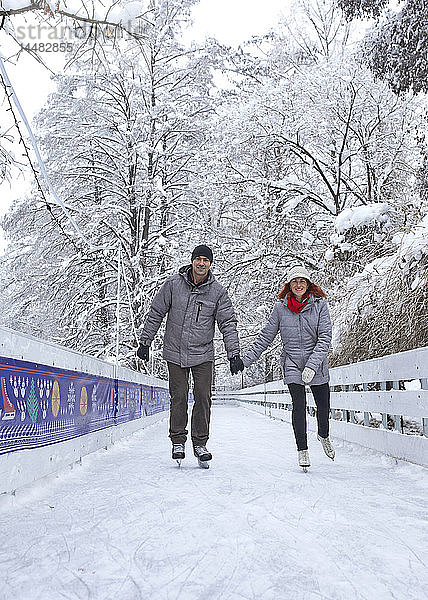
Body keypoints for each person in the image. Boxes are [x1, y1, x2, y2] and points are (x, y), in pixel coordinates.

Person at [137, 244, 244, 467]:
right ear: (192, 261)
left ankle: (200, 443)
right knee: (180, 395)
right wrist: (145, 341)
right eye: (198, 259)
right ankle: (178, 439)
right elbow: (156, 312)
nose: (202, 264)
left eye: (206, 260)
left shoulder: (217, 292)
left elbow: (228, 323)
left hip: (203, 353)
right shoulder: (173, 284)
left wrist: (233, 353)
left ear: (210, 264)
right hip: (175, 351)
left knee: (203, 396)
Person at [242, 265, 335, 469]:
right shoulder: (280, 308)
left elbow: (325, 337)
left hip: (316, 362)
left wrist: (312, 365)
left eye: (302, 281)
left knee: (323, 406)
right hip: (292, 362)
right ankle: (302, 450)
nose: (298, 284)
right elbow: (266, 336)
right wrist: (246, 360)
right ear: (289, 285)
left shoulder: (319, 305)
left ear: (308, 284)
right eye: (295, 281)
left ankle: (323, 435)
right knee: (299, 406)